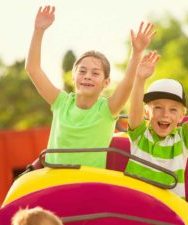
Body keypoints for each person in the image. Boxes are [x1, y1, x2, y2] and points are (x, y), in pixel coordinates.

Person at [25, 5, 155, 168]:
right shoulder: (61, 103)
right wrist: (38, 31)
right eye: (83, 71)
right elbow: (33, 69)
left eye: (95, 73)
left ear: (105, 83)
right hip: (55, 183)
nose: (87, 76)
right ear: (74, 77)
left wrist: (136, 53)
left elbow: (127, 83)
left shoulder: (107, 109)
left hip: (89, 184)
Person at [125, 48, 188, 198]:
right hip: (137, 207)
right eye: (157, 107)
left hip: (170, 212)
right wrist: (140, 78)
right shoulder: (140, 135)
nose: (165, 114)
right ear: (146, 113)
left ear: (182, 116)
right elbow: (134, 107)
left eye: (173, 110)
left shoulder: (182, 140)